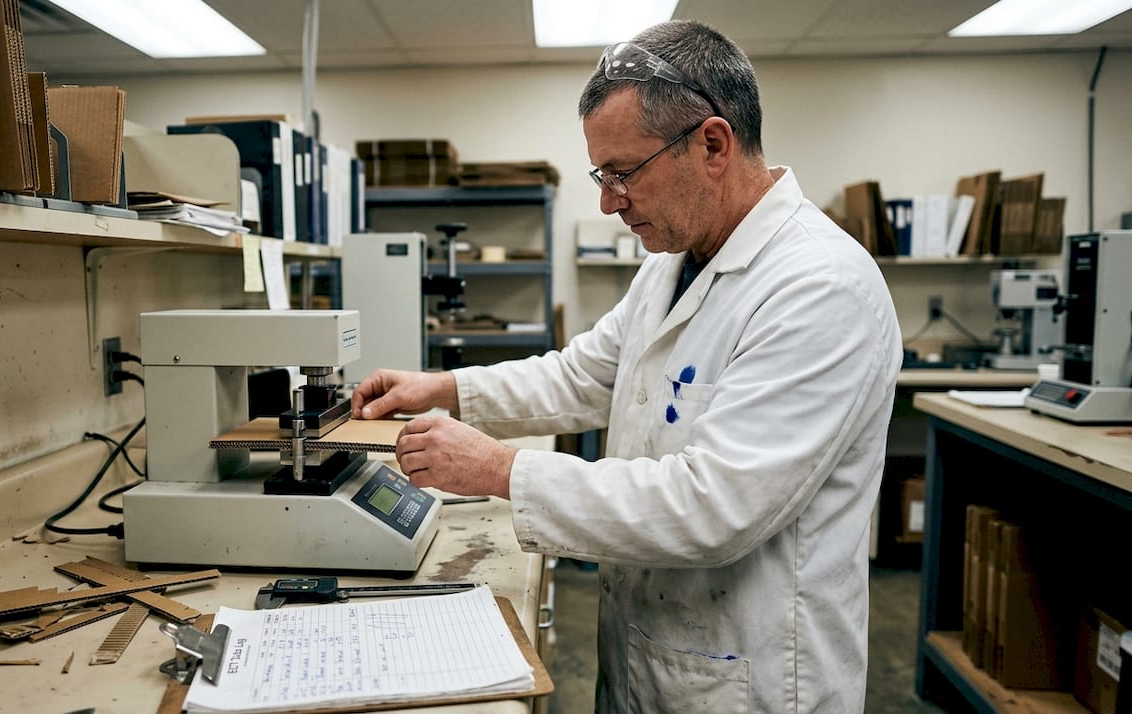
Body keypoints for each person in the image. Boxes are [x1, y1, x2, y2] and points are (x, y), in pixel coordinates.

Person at [352, 19, 901, 713]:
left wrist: (500, 470)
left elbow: (713, 506)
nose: (608, 201)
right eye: (601, 175)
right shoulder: (672, 263)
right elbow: (583, 374)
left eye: (623, 173)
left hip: (750, 680)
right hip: (651, 652)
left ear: (712, 144)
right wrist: (443, 388)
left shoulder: (821, 287)